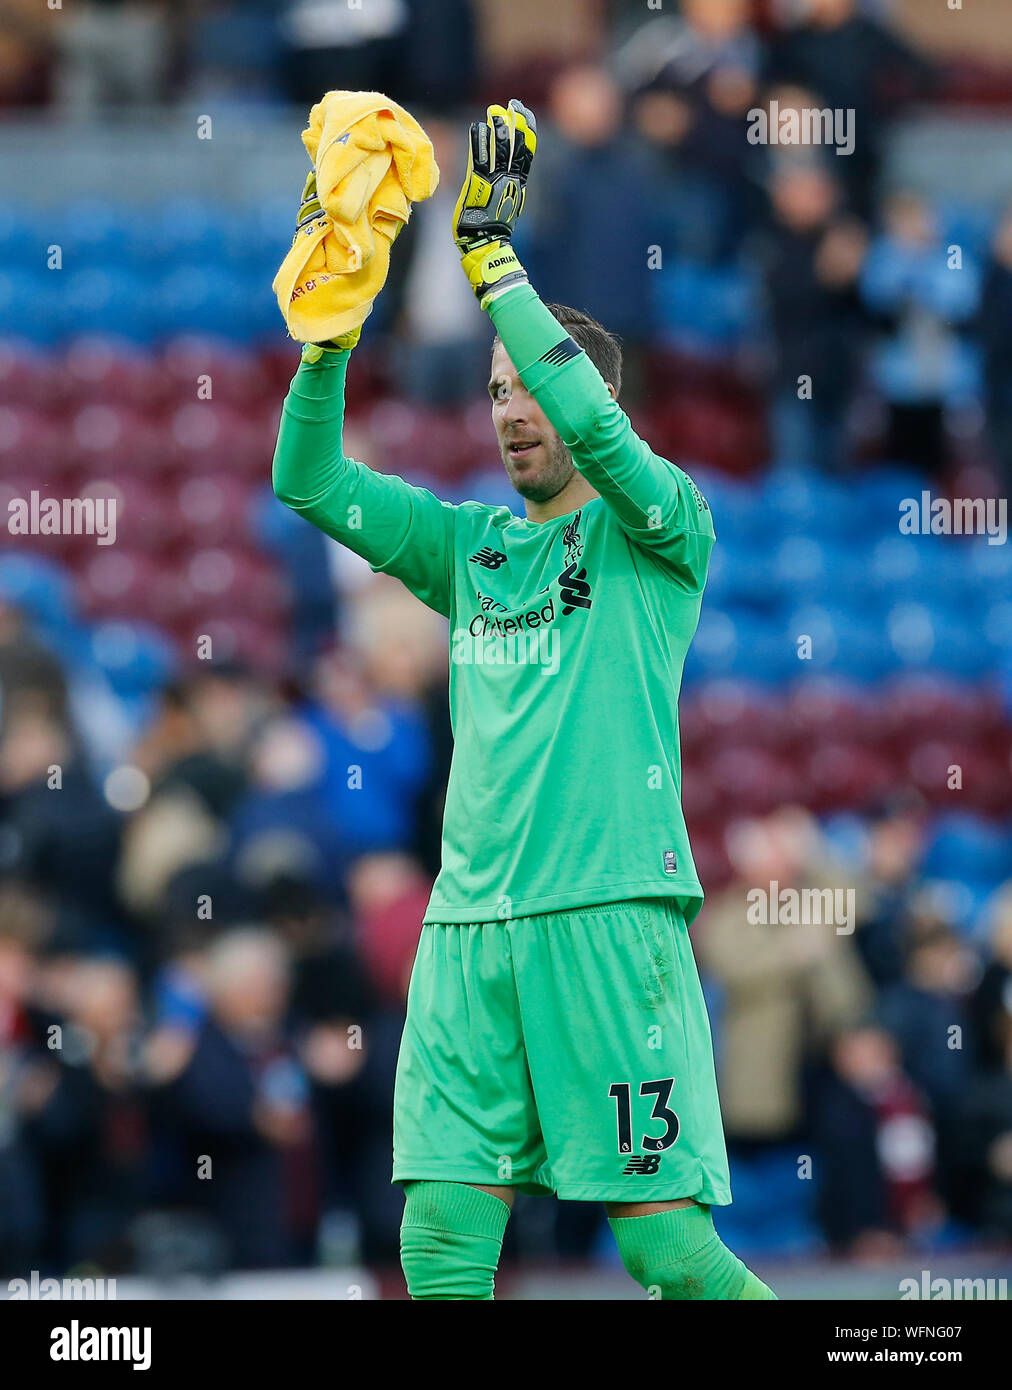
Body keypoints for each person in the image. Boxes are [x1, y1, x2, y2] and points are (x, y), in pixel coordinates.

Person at [273, 99, 775, 1301]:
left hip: (608, 915)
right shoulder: (471, 550)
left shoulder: (661, 531)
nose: (510, 407)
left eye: (529, 387)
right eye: (496, 392)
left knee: (667, 1253)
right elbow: (310, 480)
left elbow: (596, 420)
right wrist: (329, 343)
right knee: (439, 1248)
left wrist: (493, 262)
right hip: (468, 932)